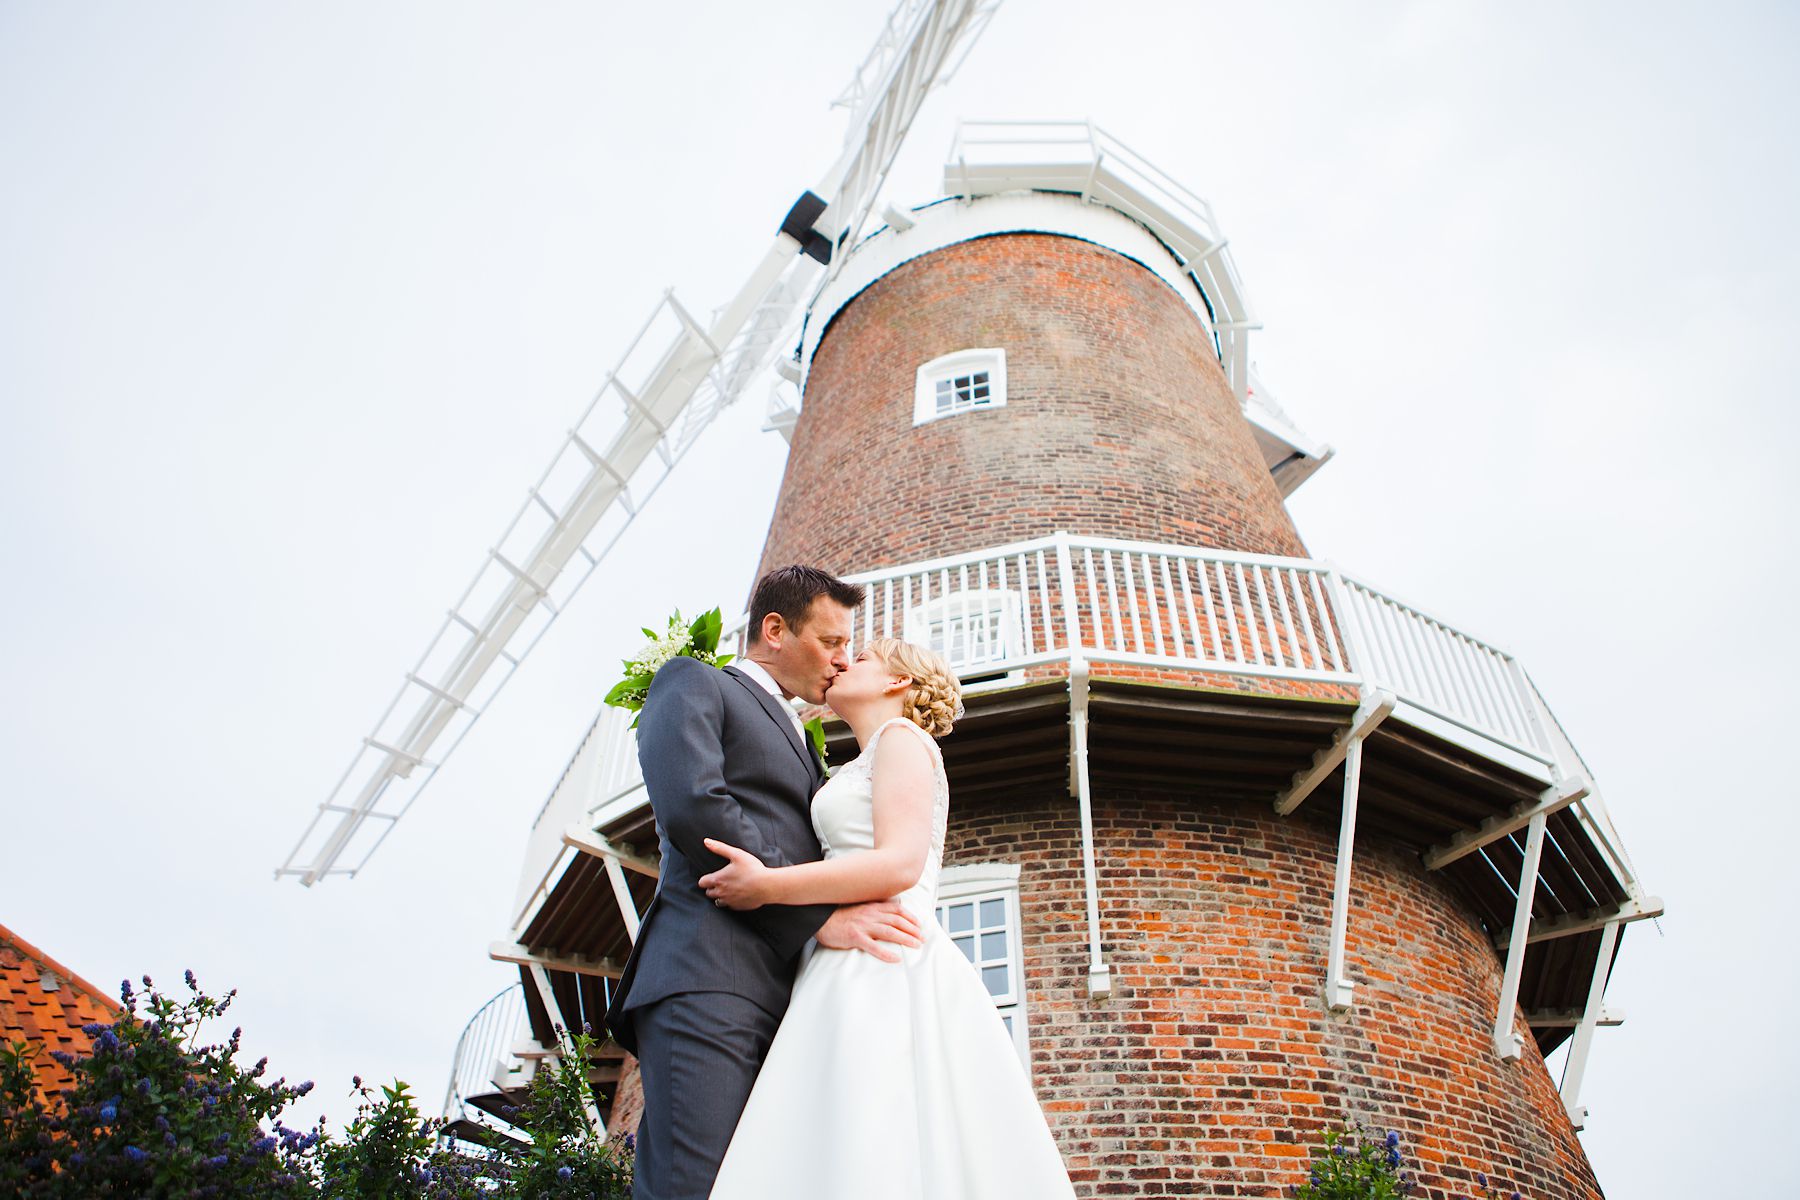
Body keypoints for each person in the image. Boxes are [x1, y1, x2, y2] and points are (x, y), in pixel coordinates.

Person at [698, 637, 1077, 1199]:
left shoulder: (902, 739)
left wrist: (768, 886)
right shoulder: (858, 761)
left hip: (883, 956)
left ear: (899, 683)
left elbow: (899, 862)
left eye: (866, 658)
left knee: (871, 1115)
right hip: (843, 950)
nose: (846, 661)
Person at [604, 566, 926, 1200]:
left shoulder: (809, 745)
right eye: (831, 642)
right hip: (710, 976)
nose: (841, 659)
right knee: (694, 1185)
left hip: (788, 995)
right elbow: (698, 810)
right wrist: (819, 920)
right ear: (775, 630)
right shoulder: (694, 682)